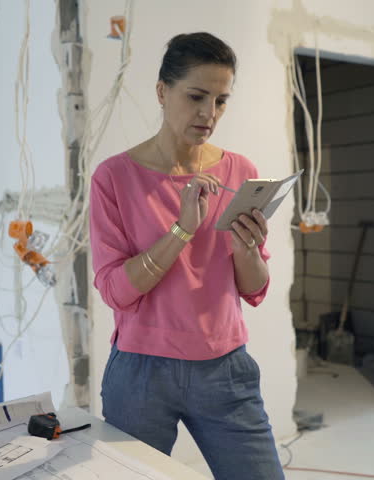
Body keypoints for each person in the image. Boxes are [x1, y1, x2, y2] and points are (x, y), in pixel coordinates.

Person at [89, 32, 285, 479]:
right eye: (196, 96)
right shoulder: (113, 178)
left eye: (220, 100)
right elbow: (117, 293)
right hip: (141, 372)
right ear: (162, 91)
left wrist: (246, 248)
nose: (208, 114)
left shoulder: (241, 172)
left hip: (225, 368)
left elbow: (254, 289)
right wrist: (182, 229)